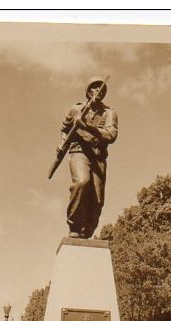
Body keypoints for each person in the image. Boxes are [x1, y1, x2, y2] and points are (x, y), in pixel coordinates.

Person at [59, 76, 118, 239]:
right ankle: (74, 224)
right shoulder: (76, 109)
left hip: (98, 157)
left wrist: (88, 127)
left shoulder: (109, 113)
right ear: (88, 91)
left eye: (101, 88)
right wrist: (62, 142)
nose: (98, 91)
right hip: (79, 152)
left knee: (97, 200)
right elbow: (65, 128)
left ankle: (86, 231)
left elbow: (111, 135)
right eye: (94, 87)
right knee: (82, 182)